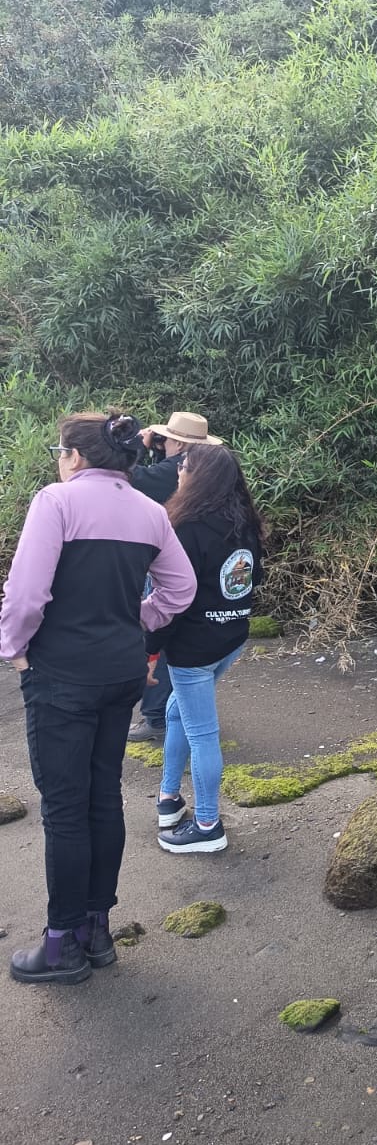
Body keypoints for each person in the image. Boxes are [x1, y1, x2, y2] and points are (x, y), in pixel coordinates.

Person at [0, 411, 197, 985]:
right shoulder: (150, 511)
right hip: (121, 672)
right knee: (102, 797)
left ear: (77, 456)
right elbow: (179, 588)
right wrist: (135, 623)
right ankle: (96, 931)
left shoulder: (56, 503)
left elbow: (27, 593)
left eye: (61, 453)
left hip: (61, 675)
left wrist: (12, 646)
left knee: (64, 809)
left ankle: (60, 945)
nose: (59, 463)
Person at [150, 443, 264, 855]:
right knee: (175, 710)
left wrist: (149, 651)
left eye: (183, 465)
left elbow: (172, 600)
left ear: (199, 476)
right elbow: (254, 580)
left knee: (202, 734)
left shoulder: (182, 527)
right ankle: (167, 799)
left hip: (193, 649)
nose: (178, 471)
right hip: (231, 638)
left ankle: (207, 825)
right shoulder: (245, 524)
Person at [127, 410, 225, 742]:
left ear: (179, 443)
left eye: (165, 438)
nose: (160, 442)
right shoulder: (206, 466)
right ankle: (175, 711)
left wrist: (138, 448)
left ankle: (155, 717)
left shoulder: (175, 467)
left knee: (162, 638)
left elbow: (130, 480)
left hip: (168, 562)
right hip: (197, 566)